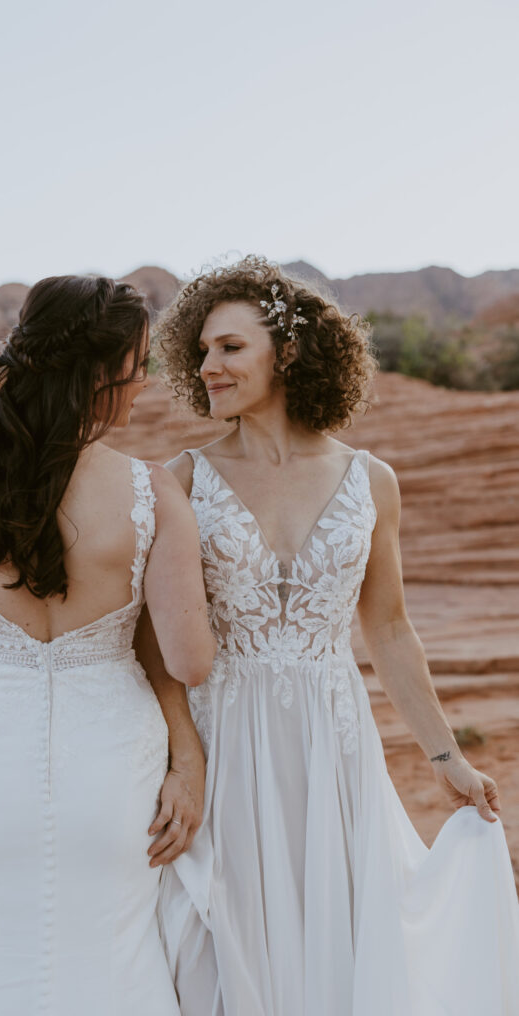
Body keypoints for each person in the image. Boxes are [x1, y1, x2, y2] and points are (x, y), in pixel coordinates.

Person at [149, 256, 519, 1015]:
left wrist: (445, 756)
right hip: (225, 736)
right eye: (202, 351)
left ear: (286, 352)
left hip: (333, 737)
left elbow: (386, 627)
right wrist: (183, 759)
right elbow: (152, 643)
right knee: (219, 943)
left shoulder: (369, 480)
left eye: (229, 348)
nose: (207, 366)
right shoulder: (181, 478)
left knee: (341, 934)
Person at [0, 274, 215, 1016]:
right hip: (110, 755)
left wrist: (17, 652)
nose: (145, 386)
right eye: (138, 368)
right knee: (111, 951)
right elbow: (188, 659)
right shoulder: (151, 492)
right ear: (102, 375)